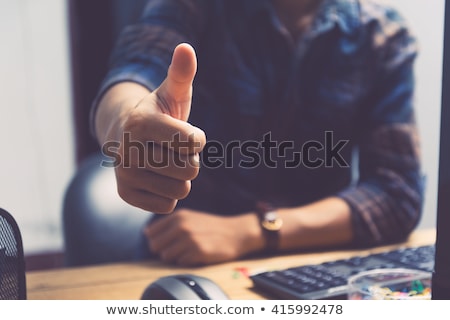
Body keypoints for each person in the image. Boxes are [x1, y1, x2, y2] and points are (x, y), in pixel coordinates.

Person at [92, 0, 424, 266]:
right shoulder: (193, 7)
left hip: (314, 265)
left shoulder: (382, 35)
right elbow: (133, 71)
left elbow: (397, 193)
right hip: (185, 265)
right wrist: (127, 127)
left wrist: (251, 231)